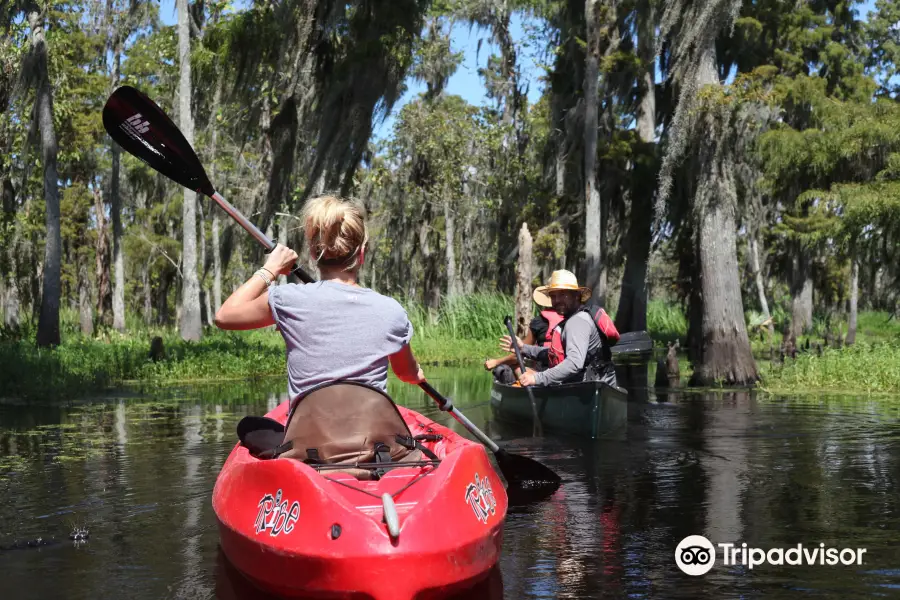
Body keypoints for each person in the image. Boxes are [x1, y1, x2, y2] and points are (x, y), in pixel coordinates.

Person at [214, 195, 425, 399]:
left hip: (308, 433)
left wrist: (271, 268)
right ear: (361, 253)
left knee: (252, 427)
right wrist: (416, 374)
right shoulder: (391, 310)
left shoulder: (287, 299)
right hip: (369, 434)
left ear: (314, 254)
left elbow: (224, 316)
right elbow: (406, 373)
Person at [499, 269, 619, 387]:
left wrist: (536, 378)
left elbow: (573, 364)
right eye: (553, 296)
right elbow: (553, 354)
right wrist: (524, 348)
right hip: (599, 386)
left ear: (576, 296)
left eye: (562, 294)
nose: (556, 300)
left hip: (588, 392)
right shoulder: (582, 317)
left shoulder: (577, 321)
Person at [483, 307, 562, 384]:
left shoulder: (539, 321)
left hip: (545, 374)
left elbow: (518, 356)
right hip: (565, 373)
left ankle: (524, 387)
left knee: (515, 366)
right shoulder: (569, 320)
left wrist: (496, 362)